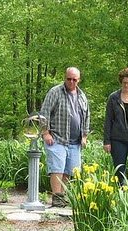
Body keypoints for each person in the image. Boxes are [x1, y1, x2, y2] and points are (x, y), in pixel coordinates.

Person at [39, 67, 90, 207]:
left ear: (79, 80)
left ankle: (62, 197)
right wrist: (45, 133)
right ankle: (56, 198)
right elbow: (44, 113)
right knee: (57, 169)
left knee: (69, 170)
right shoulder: (55, 92)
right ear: (65, 78)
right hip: (57, 138)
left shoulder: (82, 96)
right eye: (69, 79)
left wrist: (84, 136)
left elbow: (86, 117)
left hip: (75, 141)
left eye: (75, 79)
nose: (72, 82)